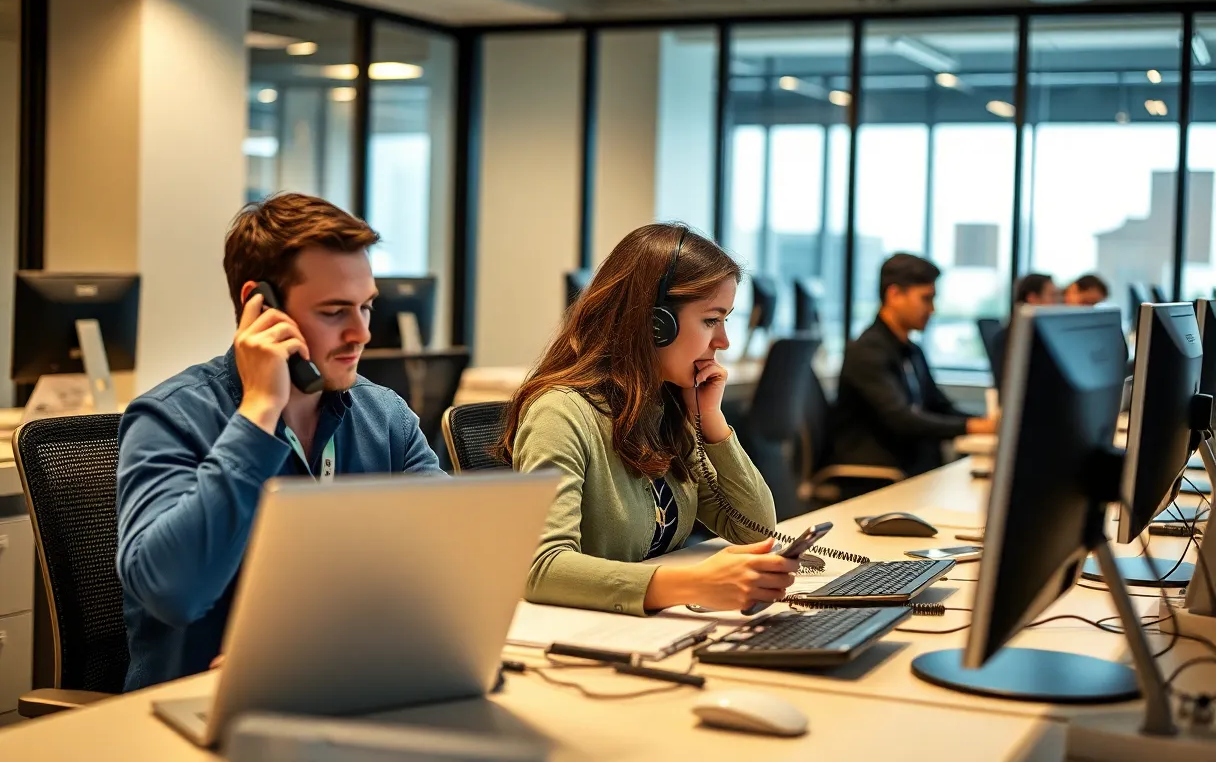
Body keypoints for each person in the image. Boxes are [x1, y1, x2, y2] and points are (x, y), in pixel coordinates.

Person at [116, 193, 442, 691]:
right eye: (335, 312)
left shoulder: (385, 417)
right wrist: (258, 414)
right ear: (261, 305)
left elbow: (447, 569)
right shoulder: (172, 417)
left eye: (366, 307)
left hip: (351, 691)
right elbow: (175, 593)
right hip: (196, 720)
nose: (361, 334)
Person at [501, 224, 798, 616]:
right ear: (657, 325)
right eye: (711, 320)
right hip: (583, 635)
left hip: (647, 629)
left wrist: (710, 418)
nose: (723, 341)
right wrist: (695, 584)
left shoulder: (665, 407)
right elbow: (542, 568)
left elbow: (755, 530)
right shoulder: (560, 413)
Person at [831, 253, 997, 480]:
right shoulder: (866, 351)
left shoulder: (911, 350)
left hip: (915, 473)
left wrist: (985, 422)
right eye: (926, 299)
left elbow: (938, 405)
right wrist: (972, 426)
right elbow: (903, 420)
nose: (932, 309)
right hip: (881, 478)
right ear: (894, 294)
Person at [990, 273, 1059, 386]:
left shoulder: (1047, 337)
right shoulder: (1009, 339)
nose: (1057, 302)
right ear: (1032, 298)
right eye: (1052, 296)